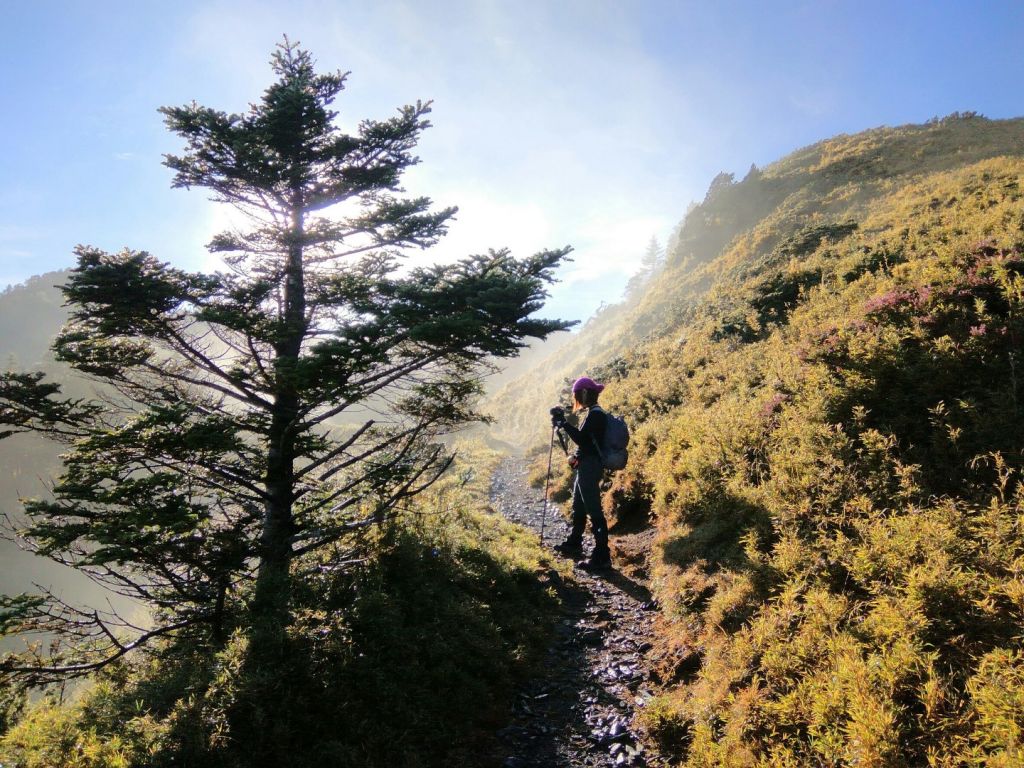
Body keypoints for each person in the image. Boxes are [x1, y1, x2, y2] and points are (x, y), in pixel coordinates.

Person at [551, 376, 611, 571]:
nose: (576, 398)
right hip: (586, 464)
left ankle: (602, 556)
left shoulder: (596, 415)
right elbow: (587, 442)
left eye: (577, 394)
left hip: (591, 467)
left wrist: (564, 424)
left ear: (585, 393)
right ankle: (575, 542)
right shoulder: (593, 414)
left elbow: (583, 440)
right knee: (578, 505)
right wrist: (576, 456)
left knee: (593, 509)